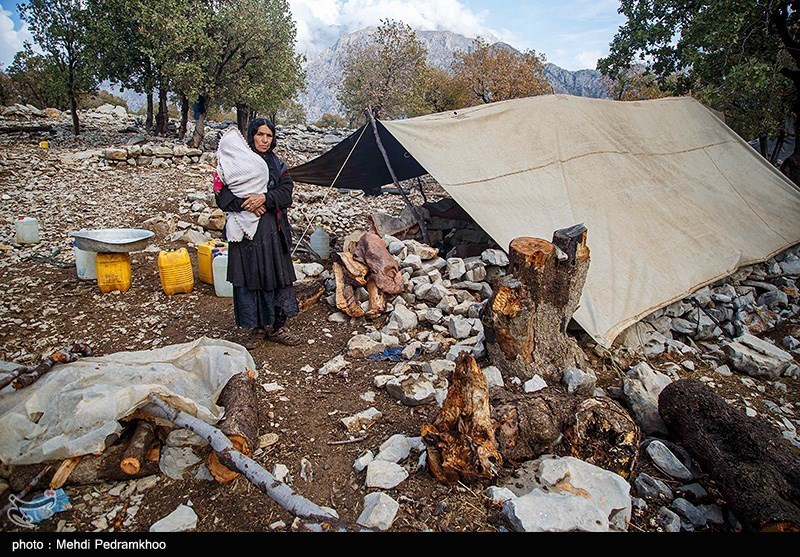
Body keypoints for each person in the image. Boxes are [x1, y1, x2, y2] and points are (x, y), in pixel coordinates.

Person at [213, 118, 301, 346]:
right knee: (251, 277)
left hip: (272, 230)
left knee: (276, 277)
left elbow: (286, 193)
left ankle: (278, 327)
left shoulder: (277, 165)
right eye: (259, 134)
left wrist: (266, 198)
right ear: (251, 135)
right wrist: (249, 203)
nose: (264, 139)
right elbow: (222, 197)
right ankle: (257, 329)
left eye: (269, 135)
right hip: (245, 235)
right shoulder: (233, 162)